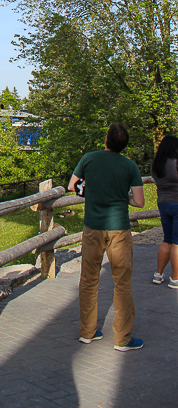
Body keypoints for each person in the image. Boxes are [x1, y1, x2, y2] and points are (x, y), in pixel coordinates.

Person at [68, 123, 145, 351]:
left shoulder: (89, 159)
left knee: (89, 279)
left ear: (106, 140)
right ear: (124, 145)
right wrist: (124, 197)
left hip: (92, 226)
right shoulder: (130, 166)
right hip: (119, 228)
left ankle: (87, 331)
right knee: (122, 282)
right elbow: (139, 201)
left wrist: (93, 192)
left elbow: (73, 185)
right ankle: (122, 338)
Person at [150, 135, 178, 287]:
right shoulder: (176, 163)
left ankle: (158, 274)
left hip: (163, 203)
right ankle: (175, 278)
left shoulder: (156, 164)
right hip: (177, 202)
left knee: (167, 239)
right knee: (177, 242)